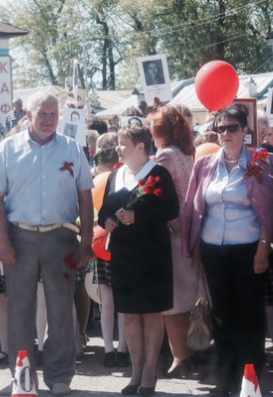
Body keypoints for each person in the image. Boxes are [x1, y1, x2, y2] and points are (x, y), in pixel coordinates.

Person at [0, 92, 94, 396]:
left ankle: (60, 377)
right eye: (42, 114)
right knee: (19, 309)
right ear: (28, 115)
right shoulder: (8, 148)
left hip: (61, 238)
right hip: (19, 237)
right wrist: (2, 241)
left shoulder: (72, 148)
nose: (48, 120)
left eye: (53, 114)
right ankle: (23, 375)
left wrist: (86, 243)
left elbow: (85, 197)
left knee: (60, 309)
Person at [182, 105, 273, 396]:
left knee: (249, 316)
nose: (225, 134)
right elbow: (195, 208)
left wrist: (263, 249)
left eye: (232, 128)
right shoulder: (205, 164)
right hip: (214, 250)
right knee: (223, 316)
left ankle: (249, 380)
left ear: (245, 131)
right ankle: (225, 379)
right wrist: (197, 245)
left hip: (249, 250)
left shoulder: (262, 162)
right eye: (220, 128)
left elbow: (269, 210)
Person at [98, 125, 178, 396]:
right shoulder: (116, 175)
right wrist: (106, 221)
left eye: (123, 143)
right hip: (124, 254)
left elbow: (171, 209)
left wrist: (138, 216)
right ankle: (135, 372)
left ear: (141, 147)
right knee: (130, 314)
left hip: (152, 254)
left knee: (151, 312)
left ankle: (149, 372)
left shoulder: (158, 173)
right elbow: (103, 211)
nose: (118, 148)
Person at [148, 106, 198, 378]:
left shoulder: (166, 155)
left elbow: (158, 193)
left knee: (174, 302)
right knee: (189, 298)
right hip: (189, 233)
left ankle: (181, 357)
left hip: (173, 233)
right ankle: (189, 354)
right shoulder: (187, 153)